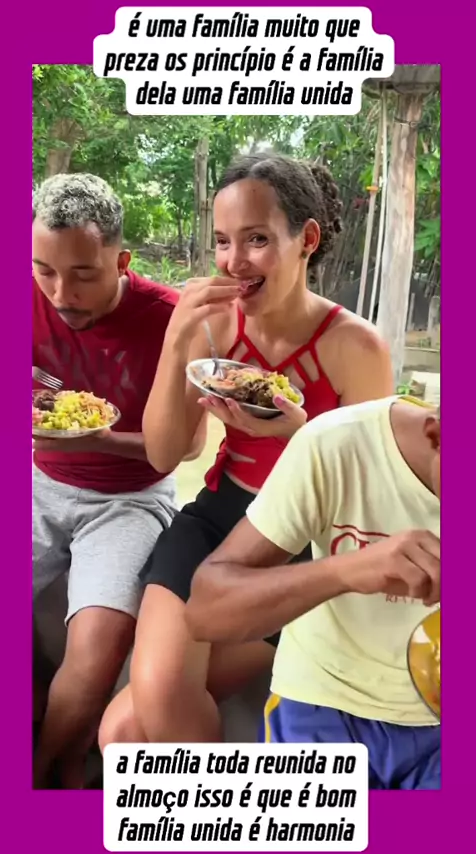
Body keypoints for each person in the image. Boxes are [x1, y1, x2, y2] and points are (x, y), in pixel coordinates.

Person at [99, 153, 394, 748]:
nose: (234, 261)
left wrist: (297, 435)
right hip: (216, 518)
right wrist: (177, 338)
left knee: (124, 730)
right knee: (135, 718)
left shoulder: (356, 346)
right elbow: (164, 454)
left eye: (256, 239)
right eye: (222, 241)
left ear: (306, 239)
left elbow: (374, 493)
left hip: (301, 542)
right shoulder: (213, 328)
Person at [32, 173, 204, 788]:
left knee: (98, 644)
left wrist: (100, 441)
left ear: (122, 261)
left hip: (130, 497)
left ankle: (43, 777)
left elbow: (188, 448)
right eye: (44, 271)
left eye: (83, 274)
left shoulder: (168, 319)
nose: (61, 293)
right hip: (37, 481)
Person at [187, 396, 441, 789]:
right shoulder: (340, 443)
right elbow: (206, 613)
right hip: (323, 705)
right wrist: (347, 570)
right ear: (437, 435)